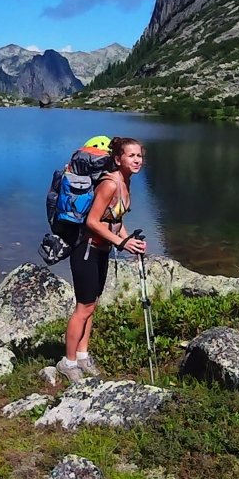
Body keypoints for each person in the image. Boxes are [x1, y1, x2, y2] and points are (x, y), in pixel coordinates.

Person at [58, 136, 147, 383]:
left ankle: (83, 355)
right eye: (131, 156)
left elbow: (115, 220)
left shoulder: (125, 183)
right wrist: (121, 242)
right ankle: (68, 362)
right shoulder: (110, 184)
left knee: (92, 304)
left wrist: (131, 242)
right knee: (83, 307)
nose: (137, 160)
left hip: (102, 249)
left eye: (139, 155)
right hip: (86, 249)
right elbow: (92, 222)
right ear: (118, 159)